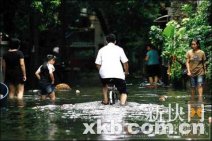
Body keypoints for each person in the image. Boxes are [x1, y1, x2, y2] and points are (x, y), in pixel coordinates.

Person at [95, 34, 129, 105]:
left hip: (105, 75)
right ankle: (122, 104)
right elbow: (125, 63)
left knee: (104, 85)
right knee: (123, 91)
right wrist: (126, 72)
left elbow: (97, 64)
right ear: (115, 41)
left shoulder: (101, 50)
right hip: (118, 74)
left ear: (106, 41)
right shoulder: (119, 49)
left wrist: (101, 71)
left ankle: (106, 100)